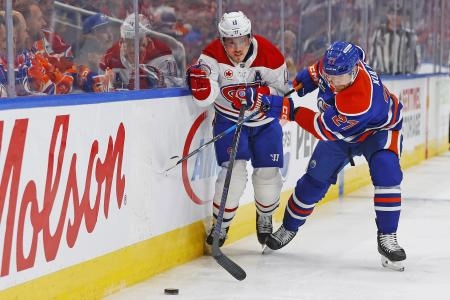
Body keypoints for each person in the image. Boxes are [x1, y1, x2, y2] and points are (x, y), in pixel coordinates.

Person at [257, 41, 406, 271]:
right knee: (313, 182)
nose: (334, 82)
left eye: (341, 78)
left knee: (387, 171)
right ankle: (288, 227)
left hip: (378, 131)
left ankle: (388, 237)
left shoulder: (359, 100)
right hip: (342, 132)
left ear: (355, 69)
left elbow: (322, 128)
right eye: (330, 75)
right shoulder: (340, 63)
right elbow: (326, 66)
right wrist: (310, 75)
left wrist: (289, 110)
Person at [186, 11, 290, 247]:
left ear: (249, 36)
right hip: (230, 121)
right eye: (230, 42)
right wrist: (201, 86)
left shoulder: (270, 54)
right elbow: (206, 98)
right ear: (222, 40)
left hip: (265, 122)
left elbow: (285, 93)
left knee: (268, 175)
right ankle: (220, 225)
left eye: (241, 40)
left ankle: (264, 216)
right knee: (233, 173)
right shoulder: (210, 55)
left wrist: (261, 96)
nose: (236, 48)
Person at [99, 13, 182, 90]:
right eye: (130, 43)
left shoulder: (162, 56)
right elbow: (101, 91)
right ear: (121, 42)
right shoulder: (109, 59)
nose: (134, 49)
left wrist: (155, 83)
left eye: (139, 42)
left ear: (148, 39)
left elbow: (174, 88)